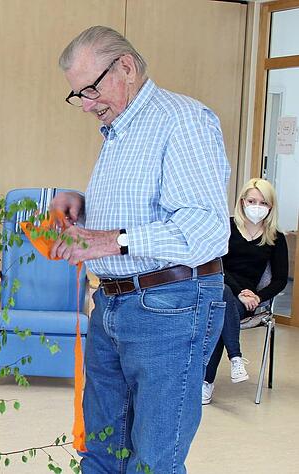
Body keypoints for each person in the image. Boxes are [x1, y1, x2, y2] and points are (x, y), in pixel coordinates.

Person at [49, 26, 230, 472]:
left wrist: (110, 240)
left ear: (125, 67)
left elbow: (206, 229)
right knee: (102, 450)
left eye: (91, 89)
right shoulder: (119, 129)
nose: (87, 104)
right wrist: (83, 208)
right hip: (112, 303)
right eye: (79, 95)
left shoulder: (183, 120)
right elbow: (145, 207)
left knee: (153, 461)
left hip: (169, 307)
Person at [203, 178, 288, 404]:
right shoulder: (227, 228)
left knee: (221, 311)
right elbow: (216, 265)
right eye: (252, 200)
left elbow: (280, 280)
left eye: (263, 203)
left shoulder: (276, 238)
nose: (256, 207)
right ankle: (235, 357)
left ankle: (206, 382)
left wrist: (257, 297)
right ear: (242, 201)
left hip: (249, 302)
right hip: (223, 290)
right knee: (222, 297)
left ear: (270, 207)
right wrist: (240, 291)